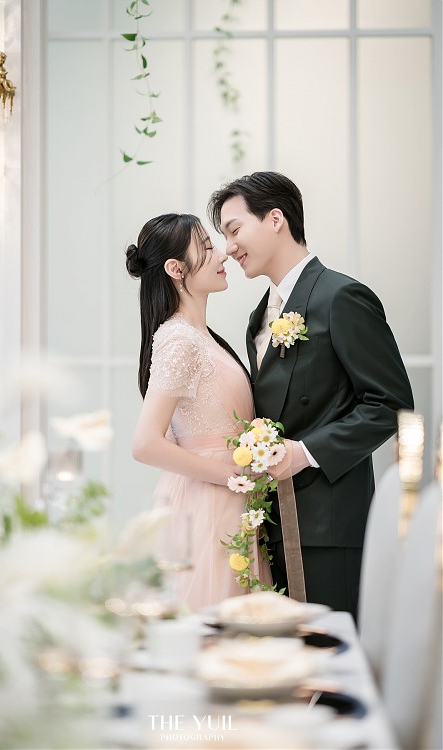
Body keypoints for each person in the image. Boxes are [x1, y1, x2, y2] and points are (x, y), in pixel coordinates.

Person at [207, 172, 414, 619]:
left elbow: (391, 404)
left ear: (275, 219)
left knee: (328, 654)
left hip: (330, 528)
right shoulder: (258, 317)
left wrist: (303, 453)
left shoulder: (342, 297)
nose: (229, 248)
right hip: (273, 526)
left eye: (234, 230)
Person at [126, 213, 271, 611]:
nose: (222, 253)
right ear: (176, 269)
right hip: (207, 501)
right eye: (207, 247)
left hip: (228, 499)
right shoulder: (178, 340)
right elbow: (145, 444)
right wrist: (231, 476)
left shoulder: (202, 337)